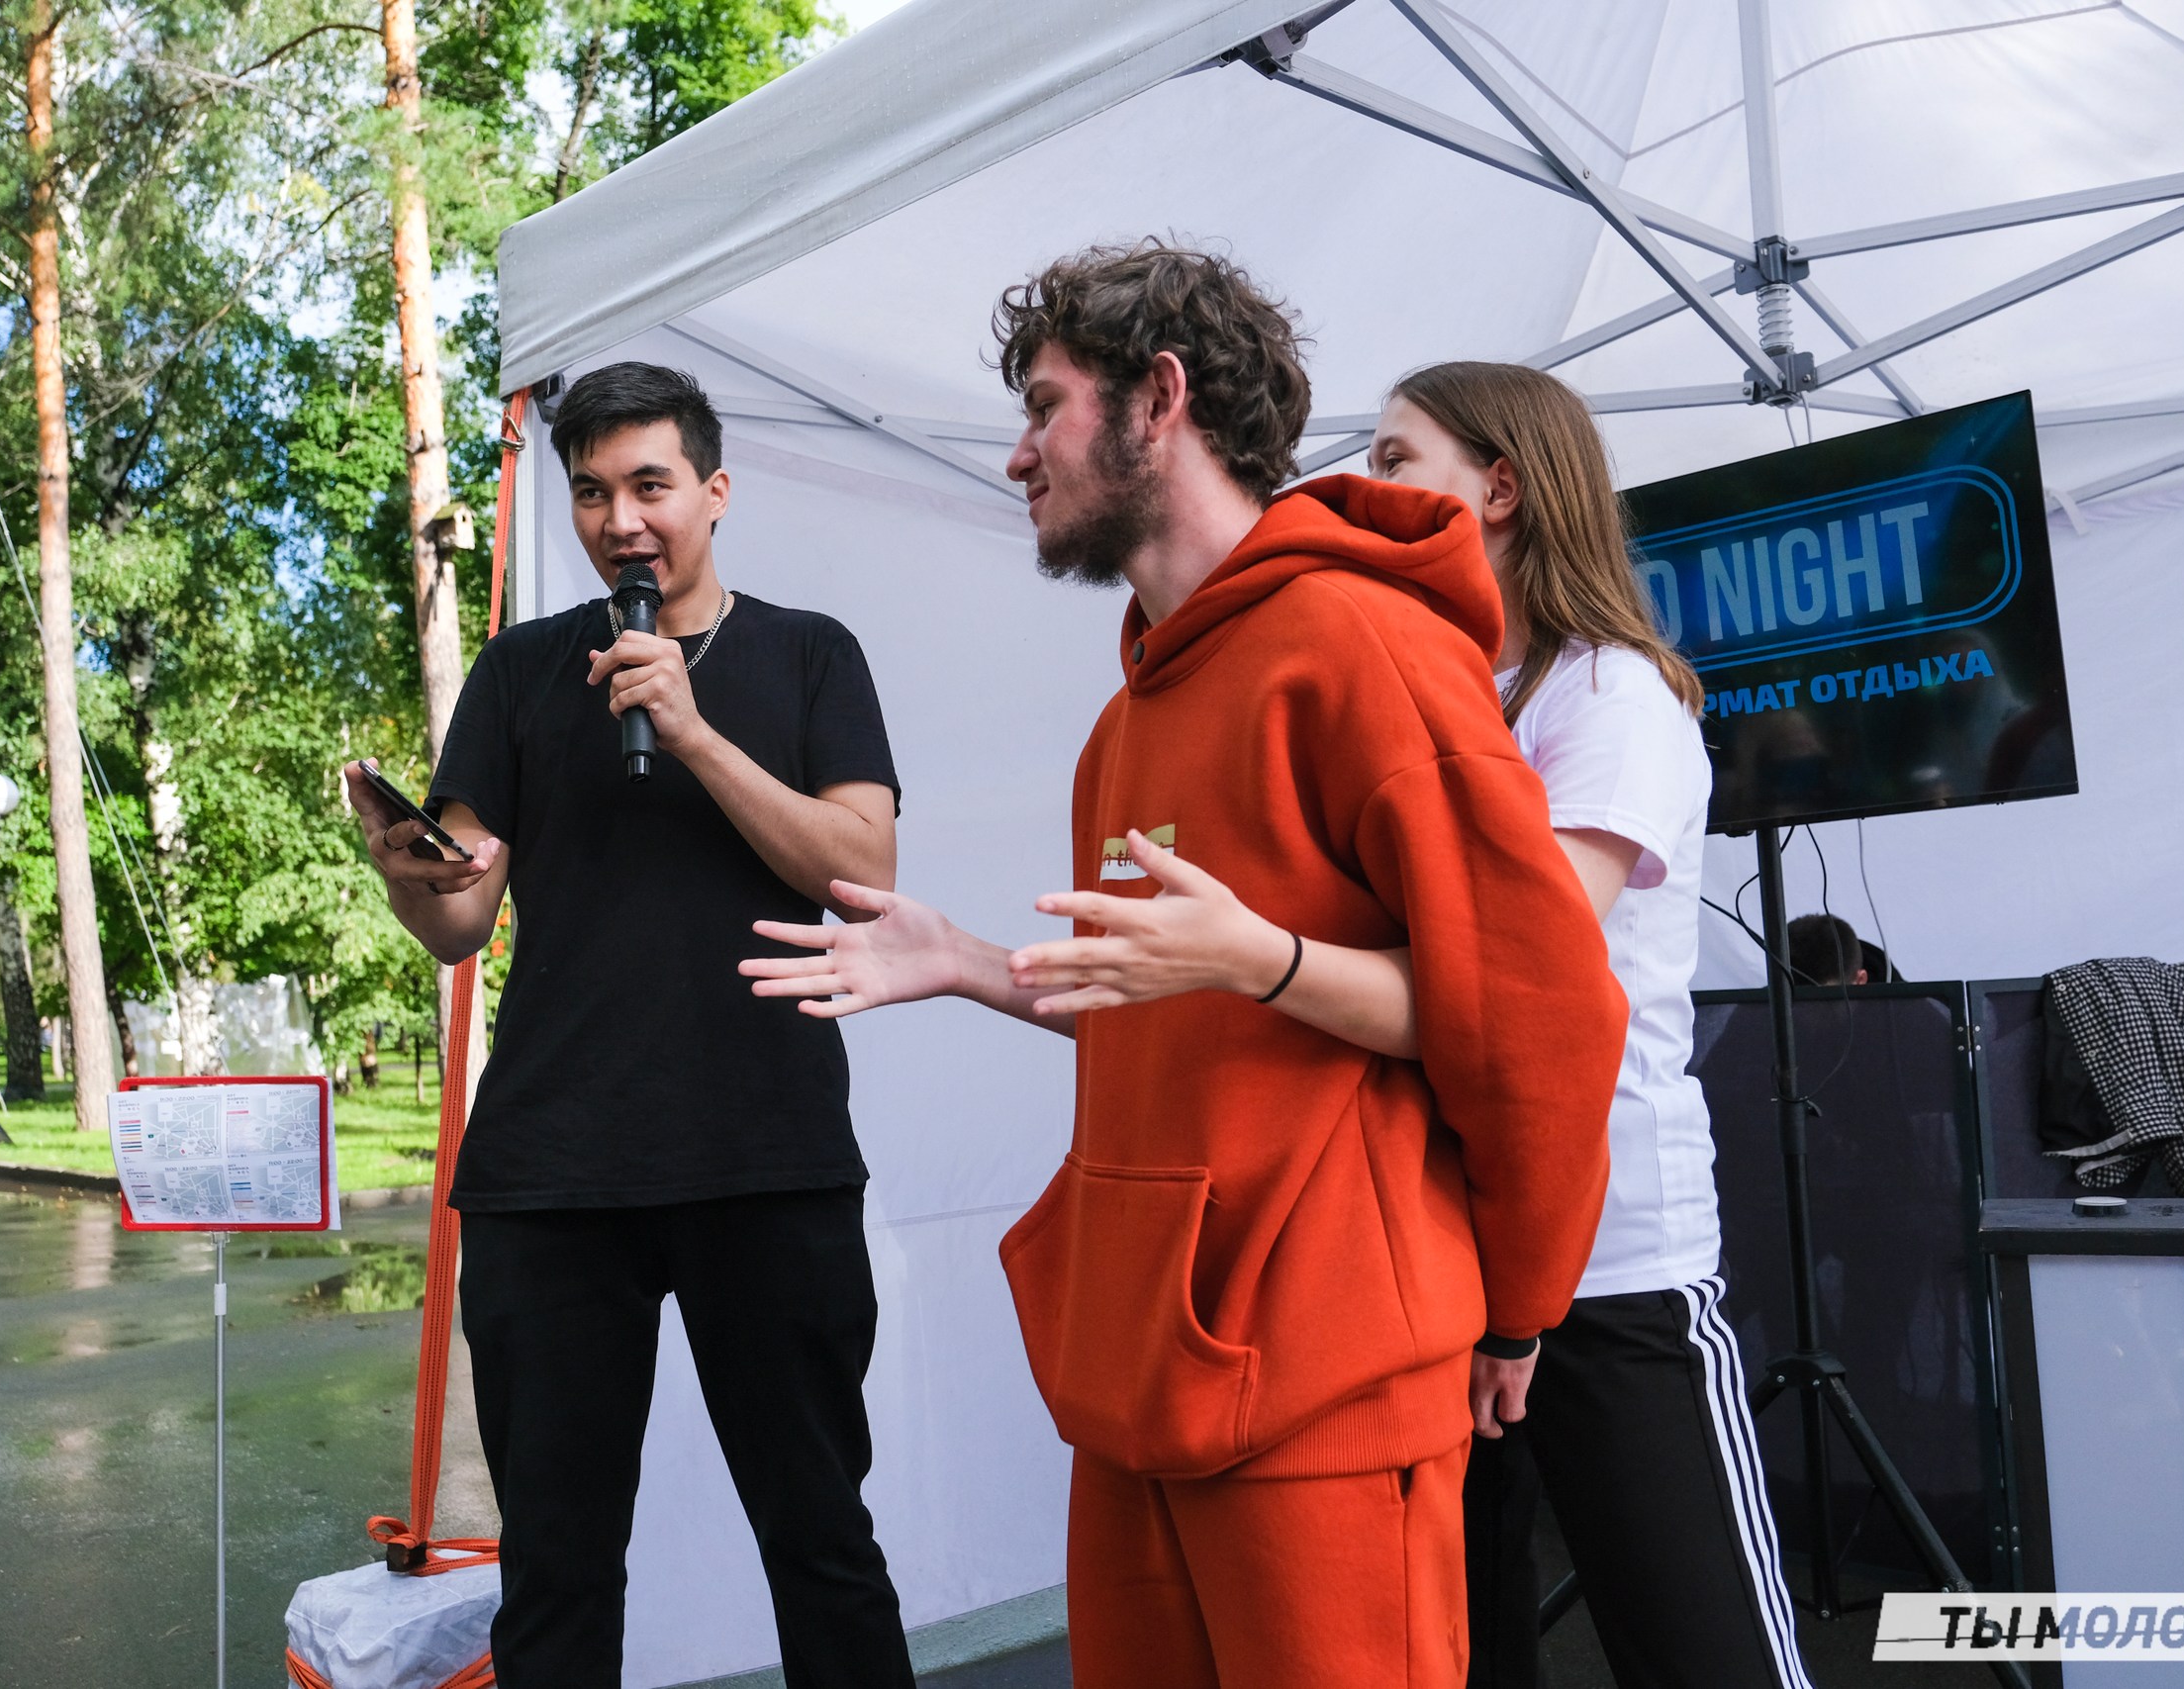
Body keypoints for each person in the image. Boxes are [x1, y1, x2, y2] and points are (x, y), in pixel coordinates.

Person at [739, 243, 1627, 1688]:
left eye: (1045, 405)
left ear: (1159, 399)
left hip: (1330, 1378)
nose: (1018, 453)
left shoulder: (1365, 644)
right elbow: (1162, 1007)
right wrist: (966, 960)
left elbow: (1540, 1014)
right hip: (1145, 1369)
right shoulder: (1127, 715)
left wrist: (1518, 1306)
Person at [345, 362, 915, 1689]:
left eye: (650, 485)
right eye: (592, 491)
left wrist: (693, 730)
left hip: (767, 1158)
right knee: (555, 1568)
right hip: (552, 1178)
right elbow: (461, 919)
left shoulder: (811, 653)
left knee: (822, 1543)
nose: (621, 521)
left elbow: (863, 870)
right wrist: (411, 874)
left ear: (714, 490)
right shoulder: (520, 671)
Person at [1369, 363, 1813, 1689]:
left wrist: (1273, 962)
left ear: (1500, 487)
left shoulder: (1611, 693)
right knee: (1466, 1645)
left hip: (1615, 1261)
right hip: (1459, 1256)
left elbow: (1521, 963)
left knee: (1702, 1650)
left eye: (1395, 459)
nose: (1365, 488)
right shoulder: (1455, 696)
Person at [1788, 911, 1897, 985]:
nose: (1813, 1010)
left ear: (1861, 980)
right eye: (1798, 999)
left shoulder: (1902, 1012)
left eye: (1829, 1001)